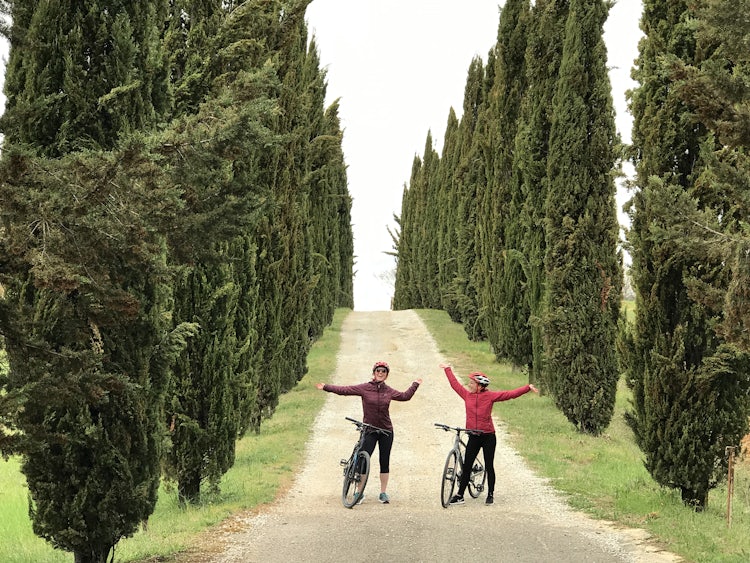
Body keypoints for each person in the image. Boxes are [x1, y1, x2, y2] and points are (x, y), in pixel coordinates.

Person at [316, 361, 422, 505]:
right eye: (378, 370)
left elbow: (405, 396)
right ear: (374, 373)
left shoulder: (389, 391)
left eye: (383, 371)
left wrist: (415, 384)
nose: (380, 373)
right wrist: (327, 387)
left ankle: (383, 493)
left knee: (384, 462)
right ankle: (359, 492)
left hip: (386, 431)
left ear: (386, 375)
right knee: (363, 461)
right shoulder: (365, 388)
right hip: (369, 430)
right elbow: (345, 390)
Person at [440, 362, 538, 505]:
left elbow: (509, 394)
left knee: (489, 465)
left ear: (480, 385)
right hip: (473, 435)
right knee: (467, 466)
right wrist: (447, 369)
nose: (469, 385)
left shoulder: (490, 396)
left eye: (472, 383)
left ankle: (490, 494)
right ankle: (460, 495)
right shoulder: (467, 395)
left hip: (488, 436)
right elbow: (455, 385)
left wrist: (527, 388)